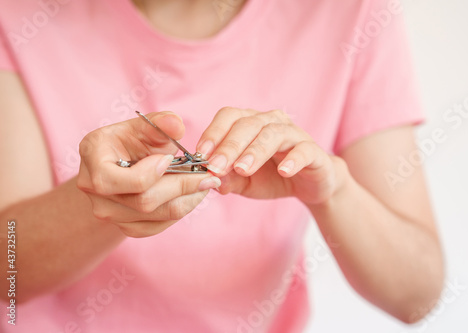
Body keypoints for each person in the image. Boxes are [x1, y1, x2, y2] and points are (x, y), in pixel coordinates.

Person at [0, 0, 444, 331]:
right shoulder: (22, 16)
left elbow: (416, 296)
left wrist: (332, 190)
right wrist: (99, 202)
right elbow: (8, 270)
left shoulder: (351, 13)